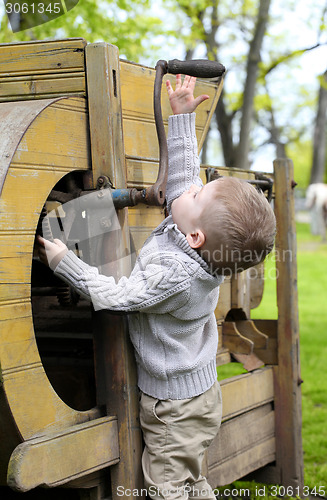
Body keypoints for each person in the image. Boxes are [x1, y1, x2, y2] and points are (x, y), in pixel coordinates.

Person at [38, 74, 276, 499]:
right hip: (199, 393)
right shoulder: (199, 242)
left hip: (173, 409)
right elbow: (184, 181)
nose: (190, 189)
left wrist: (64, 262)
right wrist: (181, 119)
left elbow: (115, 296)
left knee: (166, 487)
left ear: (195, 234)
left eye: (199, 196)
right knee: (191, 480)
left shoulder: (175, 273)